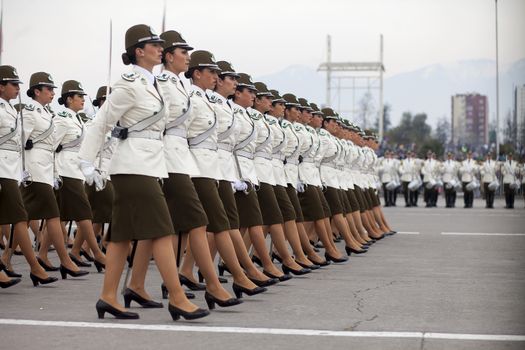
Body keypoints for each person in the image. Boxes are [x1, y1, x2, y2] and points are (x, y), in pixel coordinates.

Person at [78, 24, 209, 321]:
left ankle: (108, 297)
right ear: (139, 51)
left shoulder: (153, 83)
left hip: (148, 164)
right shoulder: (128, 83)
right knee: (162, 231)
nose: (159, 48)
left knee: (122, 236)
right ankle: (177, 298)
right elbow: (102, 122)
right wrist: (86, 162)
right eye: (153, 44)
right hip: (133, 166)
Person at [21, 71, 89, 279]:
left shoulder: (47, 113)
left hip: (46, 170)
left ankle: (10, 260)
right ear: (36, 91)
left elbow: (52, 147)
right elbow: (20, 142)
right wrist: (21, 170)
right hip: (33, 170)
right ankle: (66, 260)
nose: (52, 93)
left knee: (22, 218)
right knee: (47, 215)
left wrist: (54, 172)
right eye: (48, 89)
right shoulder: (31, 112)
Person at [0, 65, 58, 288]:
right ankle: (36, 267)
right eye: (13, 84)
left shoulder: (11, 109)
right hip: (5, 170)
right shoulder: (20, 111)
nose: (17, 88)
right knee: (19, 217)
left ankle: (14, 262)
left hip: (11, 170)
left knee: (18, 217)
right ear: (1, 85)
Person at [54, 80, 106, 271]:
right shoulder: (62, 118)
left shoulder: (77, 118)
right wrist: (52, 173)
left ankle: (43, 255)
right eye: (79, 97)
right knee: (84, 213)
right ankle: (98, 254)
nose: (83, 100)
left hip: (76, 170)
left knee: (59, 217)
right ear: (69, 99)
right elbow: (52, 147)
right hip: (66, 170)